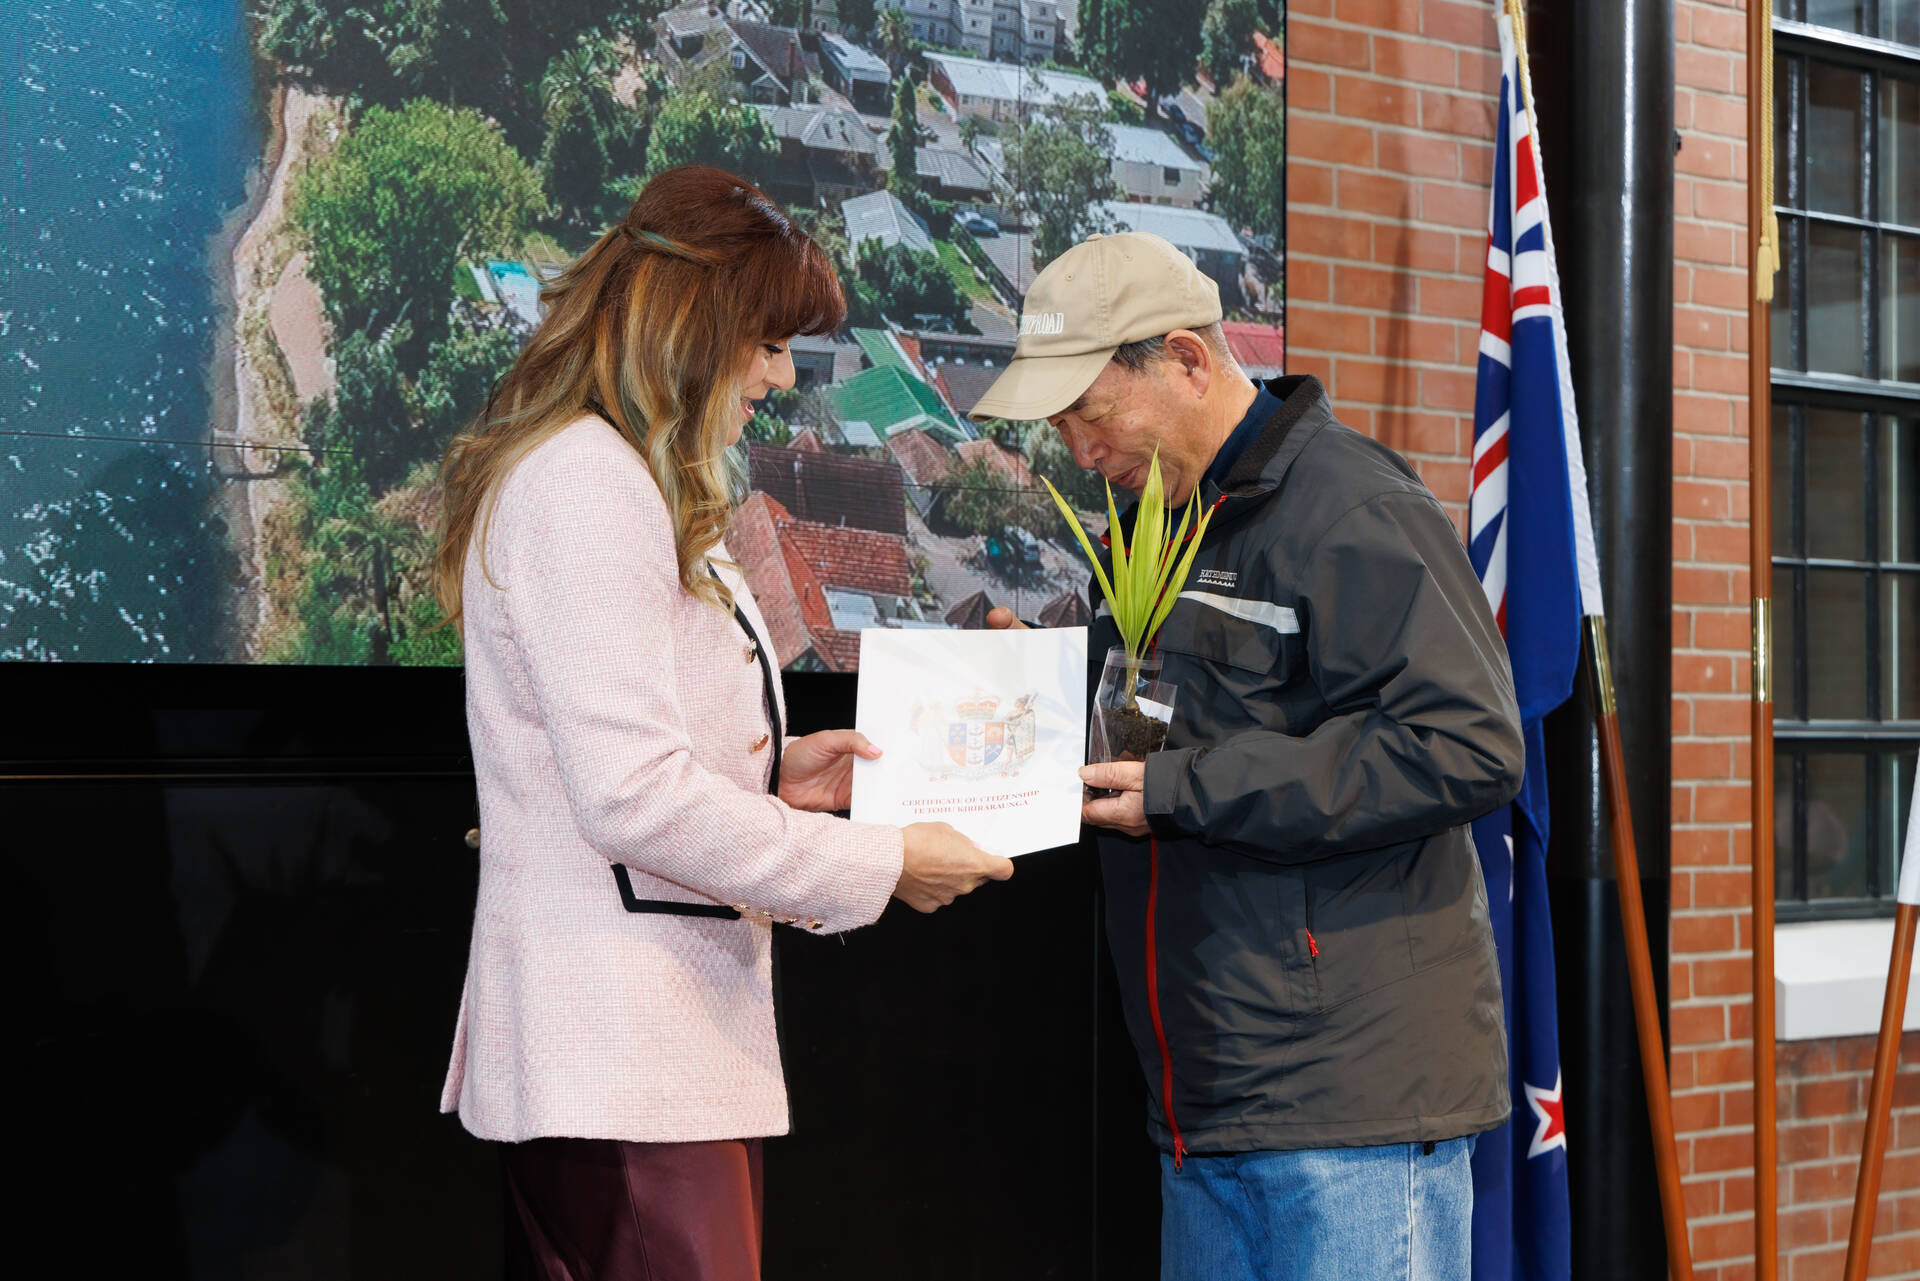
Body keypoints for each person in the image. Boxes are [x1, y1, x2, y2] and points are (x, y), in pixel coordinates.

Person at [432, 165, 1013, 1281]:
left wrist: (777, 772)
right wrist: (882, 861)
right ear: (691, 323)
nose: (782, 374)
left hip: (642, 1064)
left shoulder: (617, 471)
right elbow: (631, 796)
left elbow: (608, 752)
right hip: (623, 1062)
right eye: (769, 342)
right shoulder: (588, 481)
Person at [972, 231, 1525, 1281]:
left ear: (1186, 359)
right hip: (1204, 1109)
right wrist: (1042, 688)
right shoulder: (1152, 524)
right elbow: (1171, 720)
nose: (1079, 451)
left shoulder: (1352, 507)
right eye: (1061, 428)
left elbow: (1467, 743)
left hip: (1349, 1117)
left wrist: (1186, 790)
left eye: (1090, 415)